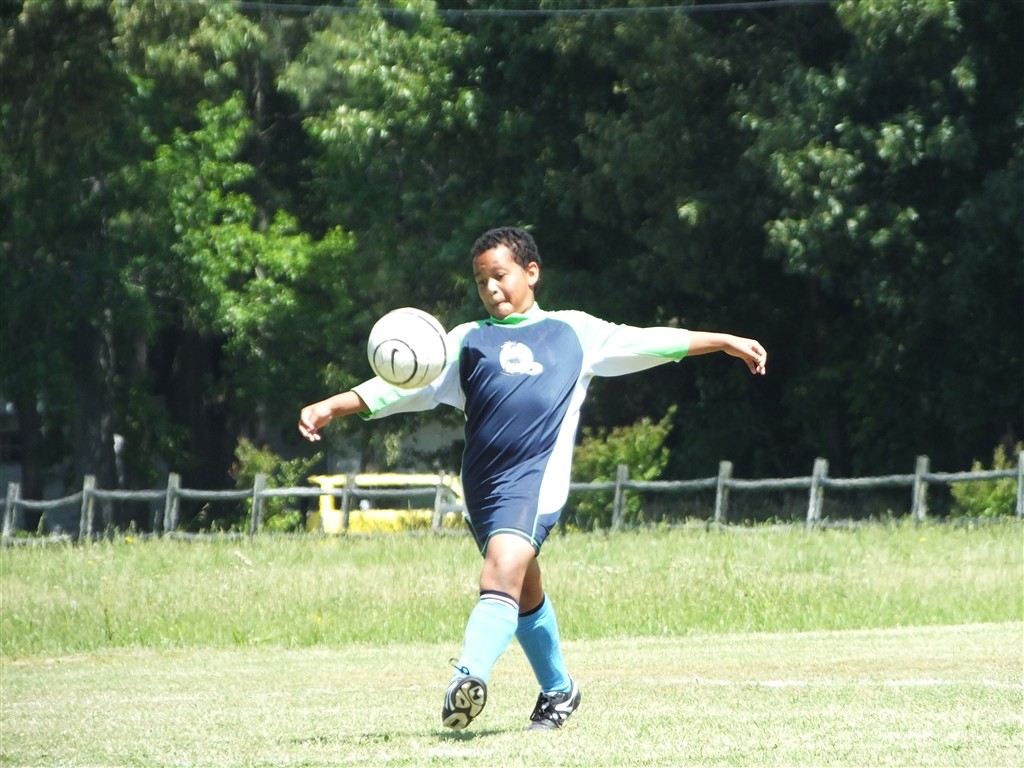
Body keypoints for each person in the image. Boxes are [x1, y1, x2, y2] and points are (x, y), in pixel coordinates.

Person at [298, 227, 767, 732]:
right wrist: (332, 405)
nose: (490, 288)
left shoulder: (575, 333)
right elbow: (399, 384)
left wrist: (723, 341)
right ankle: (560, 690)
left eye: (499, 276)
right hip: (484, 488)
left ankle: (467, 678)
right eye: (481, 281)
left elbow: (652, 340)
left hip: (537, 483)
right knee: (522, 588)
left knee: (501, 572)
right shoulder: (466, 341)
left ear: (531, 272)